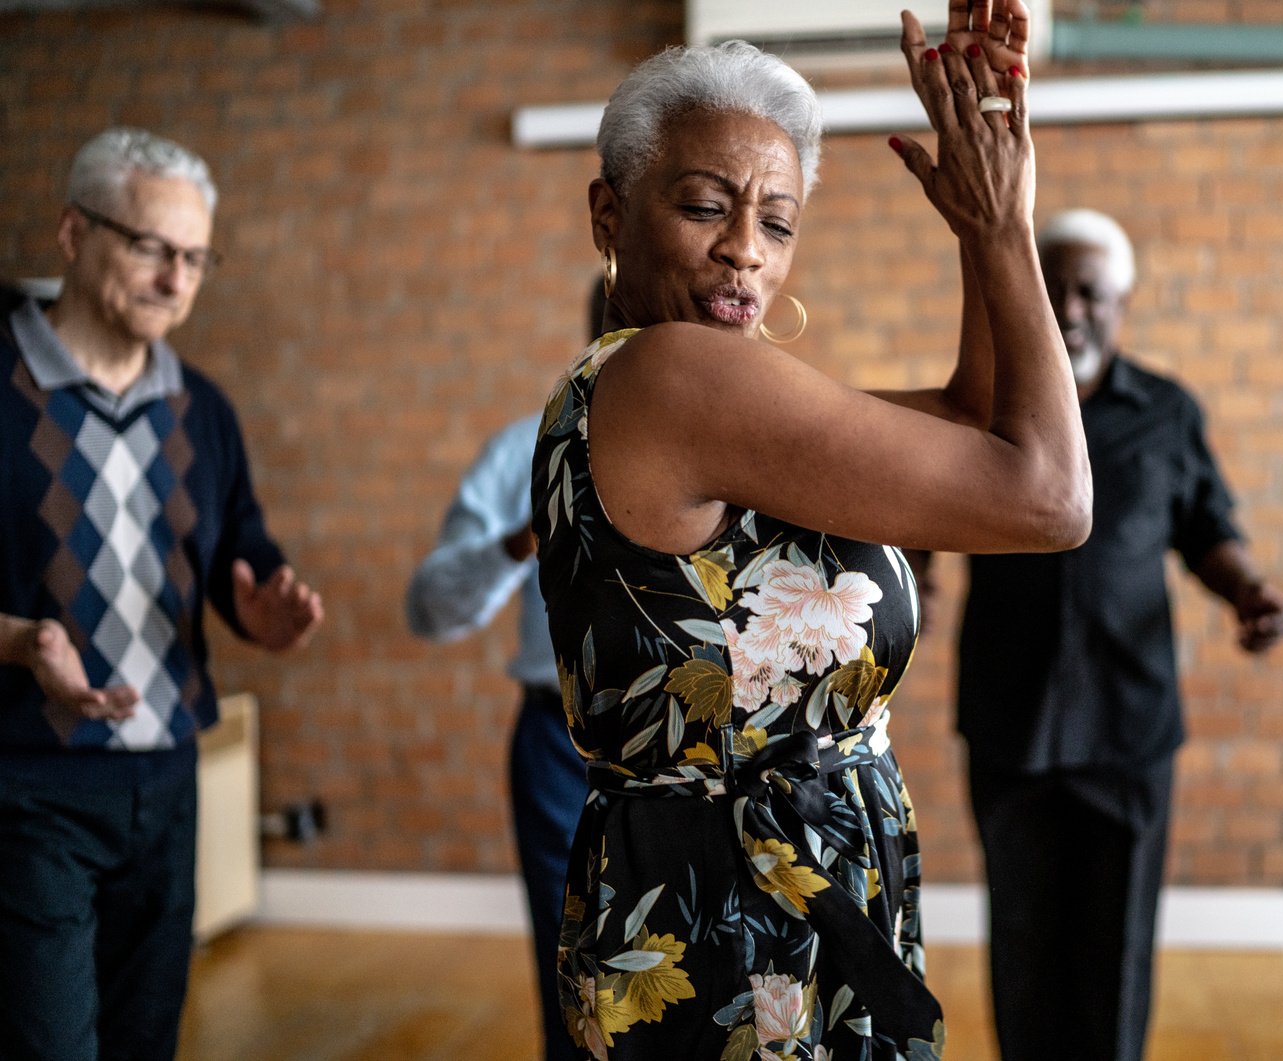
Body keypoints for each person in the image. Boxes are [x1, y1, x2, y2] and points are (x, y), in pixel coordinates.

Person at [530, 1, 1094, 1056]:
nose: (745, 249)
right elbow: (1048, 497)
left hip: (739, 888)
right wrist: (1008, 230)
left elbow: (979, 419)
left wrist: (983, 225)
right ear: (610, 214)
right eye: (705, 206)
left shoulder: (668, 399)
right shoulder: (673, 375)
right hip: (746, 922)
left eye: (779, 221)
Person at [0, 127, 323, 1061]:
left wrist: (260, 611)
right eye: (151, 247)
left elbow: (241, 555)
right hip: (29, 783)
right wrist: (23, 641)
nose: (176, 277)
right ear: (72, 233)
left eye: (194, 257)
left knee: (146, 1039)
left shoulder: (204, 408)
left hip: (169, 776)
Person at [953, 208, 1283, 1061]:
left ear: (1121, 301)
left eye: (1089, 291)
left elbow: (1206, 527)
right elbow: (918, 509)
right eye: (1053, 287)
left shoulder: (1167, 410)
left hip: (1129, 725)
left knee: (1116, 945)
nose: (1068, 307)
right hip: (1010, 716)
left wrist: (1247, 590)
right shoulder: (986, 407)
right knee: (1024, 942)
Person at [403, 279, 607, 1061]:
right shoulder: (529, 446)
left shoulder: (749, 442)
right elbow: (428, 606)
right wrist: (520, 542)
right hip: (564, 744)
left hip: (711, 751)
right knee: (574, 980)